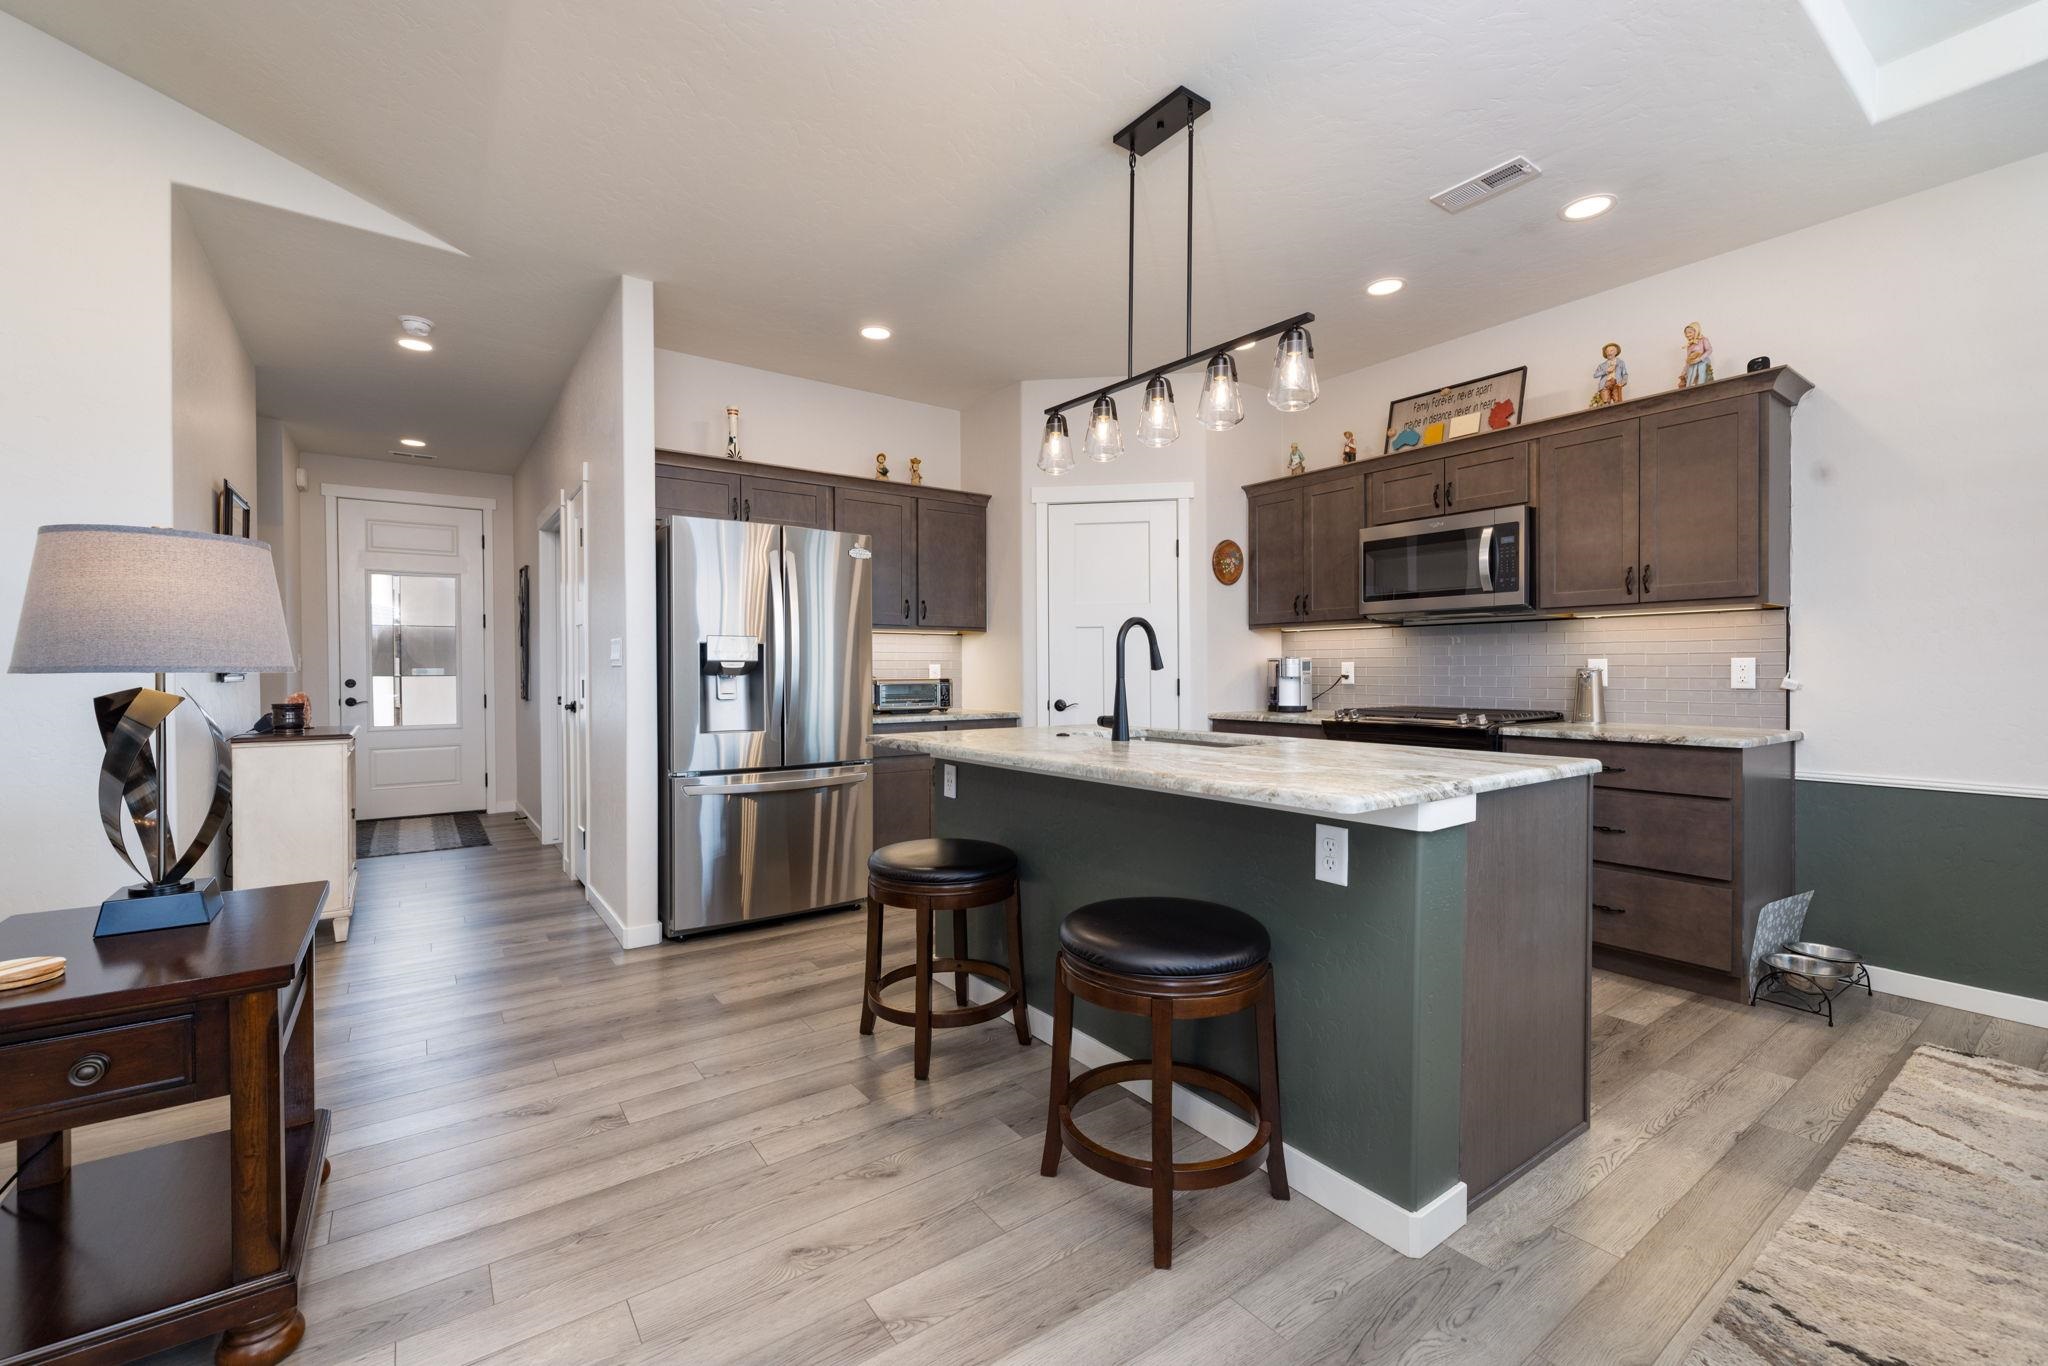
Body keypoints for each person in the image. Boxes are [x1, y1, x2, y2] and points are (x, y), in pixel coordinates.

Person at [1680, 323, 1714, 388]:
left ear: (1696, 331)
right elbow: (1688, 360)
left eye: (1690, 332)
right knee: (1691, 382)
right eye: (1686, 333)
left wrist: (1700, 359)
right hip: (1692, 367)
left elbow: (1709, 350)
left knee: (1701, 380)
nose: (1687, 335)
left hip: (1702, 364)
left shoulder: (1703, 339)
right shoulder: (1689, 345)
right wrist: (1684, 371)